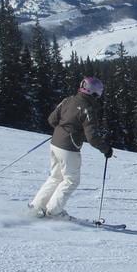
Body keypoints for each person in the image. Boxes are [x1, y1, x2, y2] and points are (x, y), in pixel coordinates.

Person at [29, 76, 113, 218]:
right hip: (69, 147)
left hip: (55, 143)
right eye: (99, 92)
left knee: (56, 176)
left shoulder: (68, 100)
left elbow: (52, 120)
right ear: (93, 92)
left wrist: (63, 130)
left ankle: (37, 206)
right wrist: (106, 149)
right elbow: (92, 137)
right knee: (71, 180)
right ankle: (53, 211)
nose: (99, 95)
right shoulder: (88, 109)